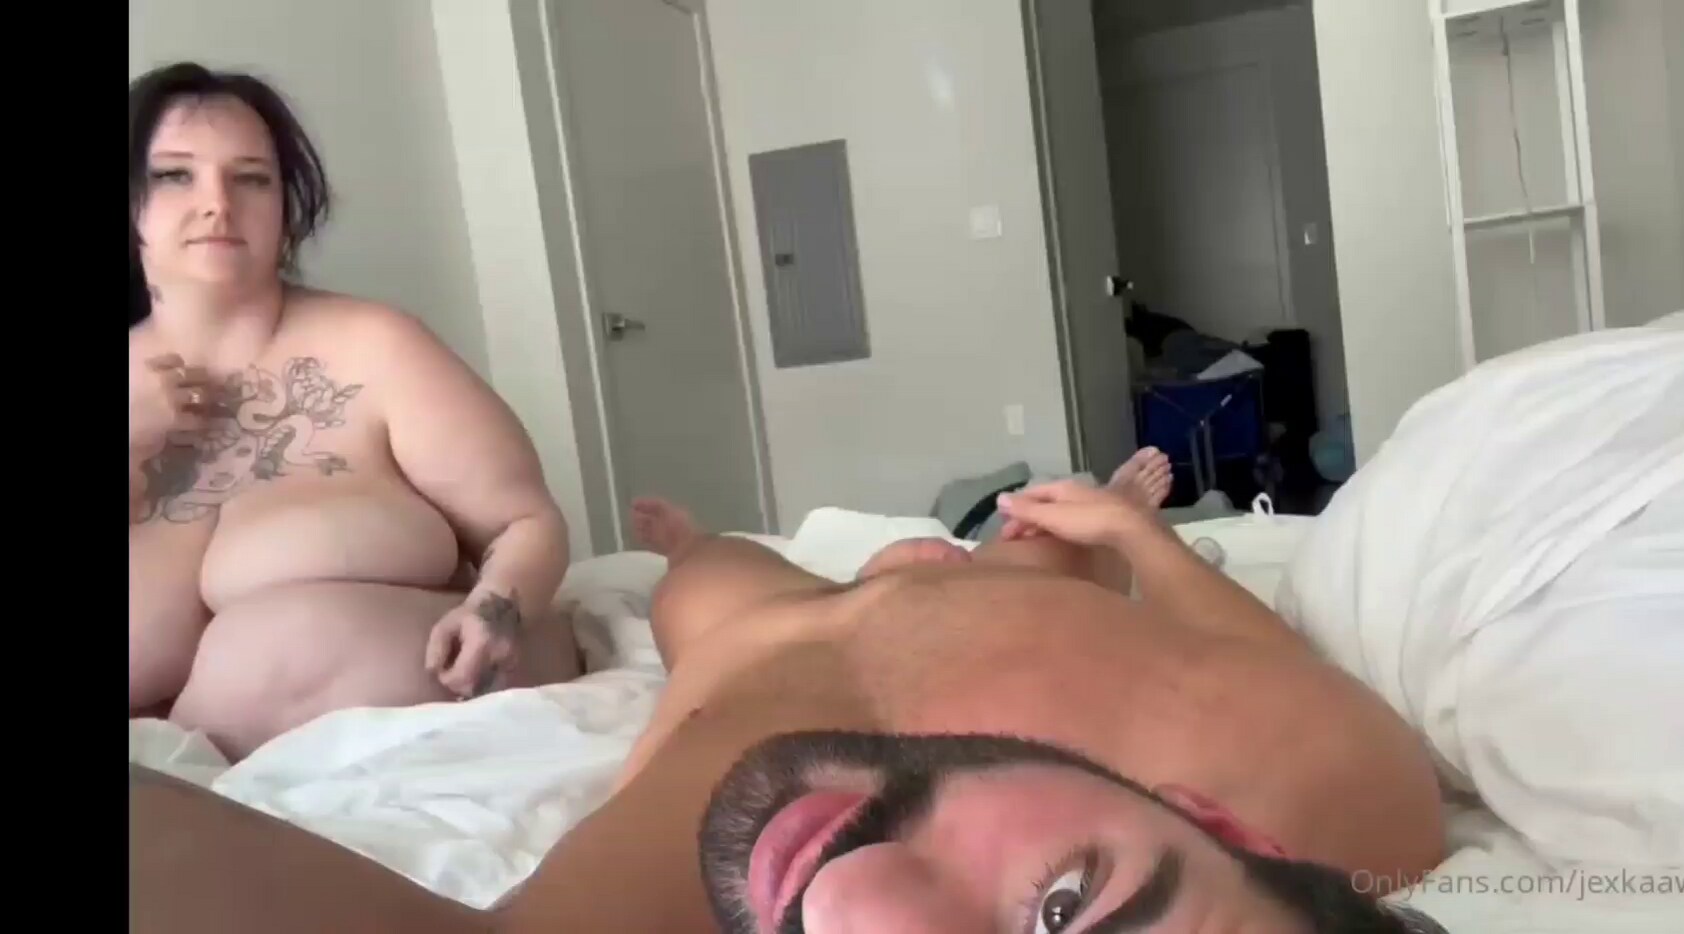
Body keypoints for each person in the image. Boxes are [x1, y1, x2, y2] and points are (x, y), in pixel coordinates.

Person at [132, 448, 1450, 933]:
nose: (844, 907)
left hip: (760, 649)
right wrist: (1139, 543)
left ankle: (700, 542)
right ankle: (1091, 510)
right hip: (1010, 615)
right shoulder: (1343, 792)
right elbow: (1253, 653)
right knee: (1051, 543)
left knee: (696, 584)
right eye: (1064, 909)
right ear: (1227, 829)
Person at [128, 62, 580, 759]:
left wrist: (494, 612)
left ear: (287, 208)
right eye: (174, 175)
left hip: (425, 740)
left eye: (252, 178)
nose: (217, 202)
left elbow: (525, 522)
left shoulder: (377, 346)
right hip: (182, 800)